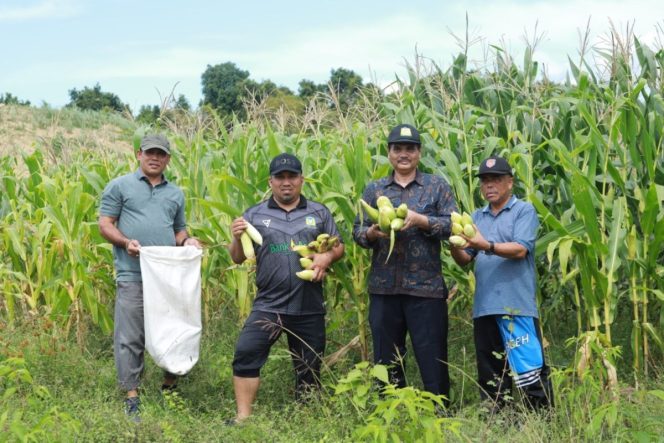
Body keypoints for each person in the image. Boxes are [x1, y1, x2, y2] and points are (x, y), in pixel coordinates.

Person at [228, 152, 344, 424]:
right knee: (246, 354)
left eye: (292, 176)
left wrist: (327, 257)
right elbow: (237, 256)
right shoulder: (254, 214)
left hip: (309, 305)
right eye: (280, 177)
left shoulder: (319, 212)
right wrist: (235, 238)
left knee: (309, 367)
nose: (286, 182)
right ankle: (243, 417)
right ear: (271, 182)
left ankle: (307, 419)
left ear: (301, 180)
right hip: (269, 304)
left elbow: (338, 245)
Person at [352, 123, 457, 406]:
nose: (403, 154)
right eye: (397, 148)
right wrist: (372, 233)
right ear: (389, 153)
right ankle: (391, 410)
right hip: (384, 289)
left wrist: (422, 220)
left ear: (419, 153)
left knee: (431, 355)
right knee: (386, 359)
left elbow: (454, 227)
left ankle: (438, 412)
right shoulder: (375, 189)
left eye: (410, 148)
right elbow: (357, 232)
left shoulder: (437, 186)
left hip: (426, 290)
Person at [98, 134, 202, 420]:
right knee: (130, 335)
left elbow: (179, 230)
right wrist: (124, 242)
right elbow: (105, 224)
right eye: (149, 153)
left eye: (161, 154)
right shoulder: (120, 186)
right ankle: (132, 396)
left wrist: (187, 242)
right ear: (138, 154)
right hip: (132, 273)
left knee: (174, 329)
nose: (155, 157)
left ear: (168, 159)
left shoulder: (175, 194)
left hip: (168, 275)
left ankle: (169, 386)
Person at [449, 155, 554, 412]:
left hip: (515, 307)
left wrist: (486, 245)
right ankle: (499, 426)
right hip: (485, 308)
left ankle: (543, 424)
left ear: (510, 182)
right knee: (492, 377)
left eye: (495, 179)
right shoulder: (476, 217)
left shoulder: (523, 210)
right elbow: (465, 259)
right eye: (484, 181)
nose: (489, 185)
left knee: (530, 372)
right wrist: (453, 244)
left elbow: (521, 249)